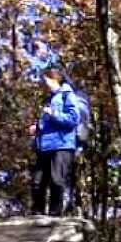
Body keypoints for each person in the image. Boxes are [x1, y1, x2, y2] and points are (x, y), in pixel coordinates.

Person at [30, 68, 80, 216]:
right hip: (44, 146)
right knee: (37, 182)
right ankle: (37, 213)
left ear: (55, 80)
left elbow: (74, 119)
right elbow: (47, 122)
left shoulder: (67, 94)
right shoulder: (49, 99)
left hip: (62, 145)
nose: (44, 85)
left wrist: (54, 114)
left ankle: (55, 215)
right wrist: (37, 127)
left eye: (46, 81)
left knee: (57, 181)